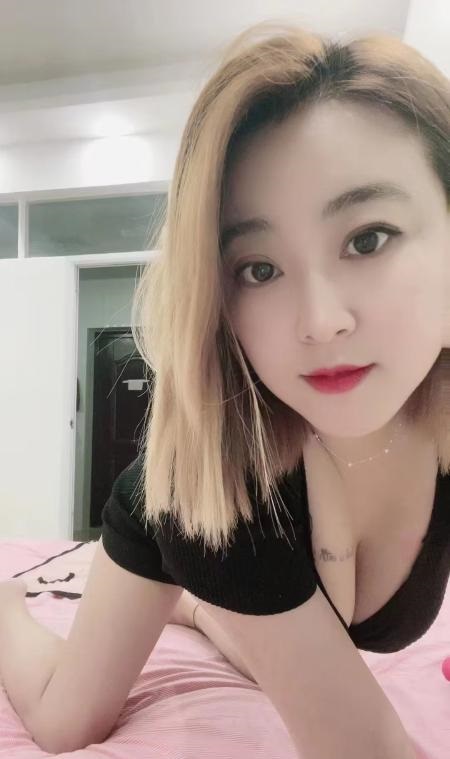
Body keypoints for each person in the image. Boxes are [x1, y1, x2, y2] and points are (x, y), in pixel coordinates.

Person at [1, 19, 448, 758]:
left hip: (251, 572)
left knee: (265, 631)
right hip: (186, 510)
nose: (320, 321)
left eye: (367, 237)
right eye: (259, 268)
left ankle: (202, 610)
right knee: (64, 721)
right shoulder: (222, 486)